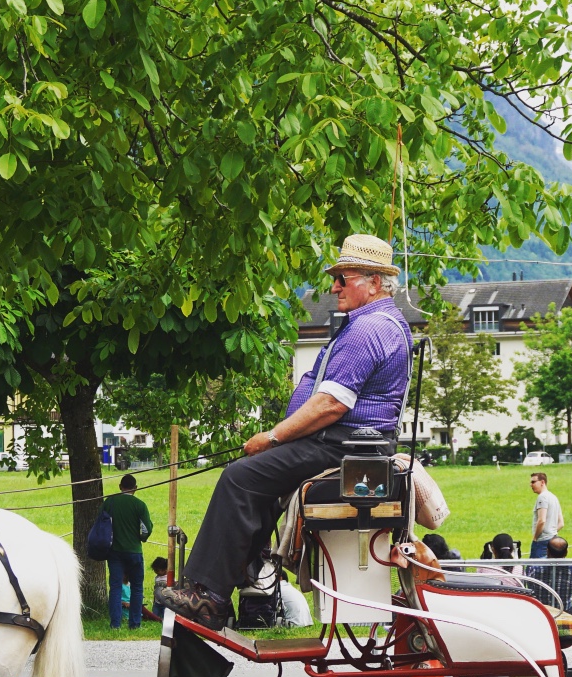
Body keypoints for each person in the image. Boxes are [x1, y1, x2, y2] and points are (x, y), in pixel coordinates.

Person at [159, 234, 412, 626]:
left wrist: (273, 437)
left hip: (343, 446)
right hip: (350, 445)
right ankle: (244, 577)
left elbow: (331, 404)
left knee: (240, 478)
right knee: (256, 484)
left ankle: (208, 594)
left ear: (374, 282)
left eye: (343, 278)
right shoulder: (377, 324)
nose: (334, 286)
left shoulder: (369, 329)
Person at [104, 473, 154, 630]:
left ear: (120, 487)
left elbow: (101, 524)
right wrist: (141, 537)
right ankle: (134, 623)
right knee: (137, 588)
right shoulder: (139, 505)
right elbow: (147, 528)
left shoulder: (109, 502)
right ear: (136, 488)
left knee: (116, 587)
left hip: (114, 551)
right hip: (134, 551)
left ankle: (115, 624)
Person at [530, 473, 563, 558]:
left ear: (542, 482)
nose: (531, 485)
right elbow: (561, 523)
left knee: (534, 569)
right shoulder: (553, 497)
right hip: (554, 539)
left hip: (542, 542)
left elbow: (541, 520)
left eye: (533, 482)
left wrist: (535, 538)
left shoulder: (542, 497)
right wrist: (551, 533)